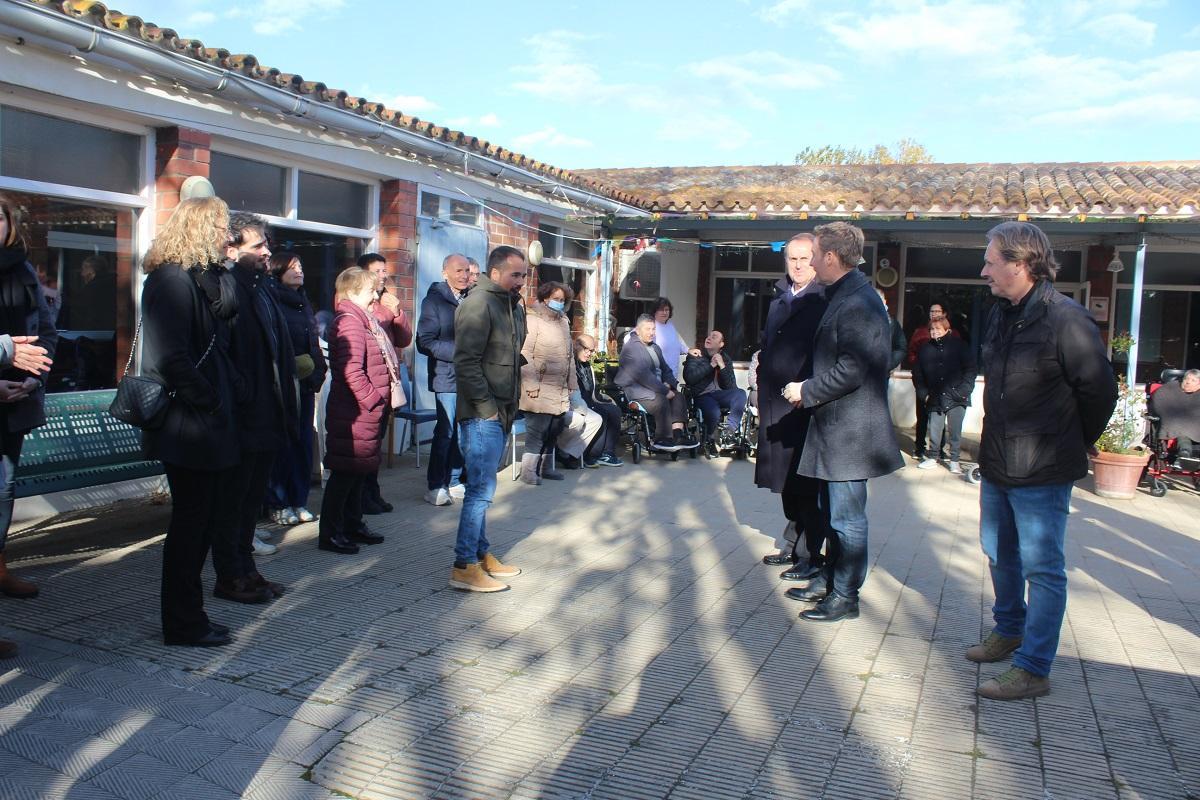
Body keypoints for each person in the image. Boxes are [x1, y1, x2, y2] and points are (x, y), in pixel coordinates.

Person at [970, 221, 1117, 700]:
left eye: (992, 262)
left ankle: (1034, 668)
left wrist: (1070, 441)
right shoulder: (1001, 313)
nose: (984, 271)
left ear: (1020, 264)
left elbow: (1100, 392)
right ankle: (1009, 630)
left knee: (1043, 568)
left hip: (1043, 470)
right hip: (998, 462)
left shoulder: (1067, 320)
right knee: (998, 552)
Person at [785, 222, 903, 623]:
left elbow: (854, 368)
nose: (811, 261)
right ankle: (830, 579)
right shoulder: (844, 294)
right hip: (834, 428)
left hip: (851, 433)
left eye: (816, 254)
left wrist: (807, 390)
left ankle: (846, 596)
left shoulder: (859, 302)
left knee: (847, 520)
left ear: (831, 257)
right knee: (830, 512)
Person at [139, 196, 238, 648]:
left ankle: (190, 616)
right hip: (188, 422)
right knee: (190, 525)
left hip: (204, 420)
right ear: (200, 228)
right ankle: (182, 623)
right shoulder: (171, 280)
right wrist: (212, 400)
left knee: (202, 522)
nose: (227, 235)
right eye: (220, 226)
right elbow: (171, 357)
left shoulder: (197, 278)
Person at [217, 213, 297, 601]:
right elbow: (223, 354)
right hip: (243, 415)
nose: (267, 252)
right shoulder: (227, 286)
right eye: (258, 245)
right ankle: (230, 576)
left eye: (267, 244)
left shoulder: (262, 287)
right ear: (232, 250)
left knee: (251, 501)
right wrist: (244, 392)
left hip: (268, 410)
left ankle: (247, 569)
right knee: (233, 503)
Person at [0, 194, 57, 659]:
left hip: (15, 404)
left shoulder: (22, 271)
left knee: (3, 494)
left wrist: (33, 378)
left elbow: (46, 332)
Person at [450, 246, 526, 592]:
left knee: (482, 488)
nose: (521, 281)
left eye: (523, 275)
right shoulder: (479, 303)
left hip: (501, 410)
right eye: (515, 274)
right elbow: (465, 362)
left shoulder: (510, 304)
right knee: (480, 491)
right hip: (483, 414)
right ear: (495, 273)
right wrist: (487, 407)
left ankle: (480, 555)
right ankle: (464, 565)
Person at [755, 234, 828, 579]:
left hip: (803, 404)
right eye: (792, 259)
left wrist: (808, 392)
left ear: (816, 260)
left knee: (805, 484)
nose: (798, 265)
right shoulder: (778, 297)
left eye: (804, 258)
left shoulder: (823, 299)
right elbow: (767, 344)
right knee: (784, 481)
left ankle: (810, 554)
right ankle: (792, 543)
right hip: (774, 404)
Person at [320, 267, 396, 555]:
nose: (375, 296)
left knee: (357, 473)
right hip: (354, 413)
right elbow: (351, 371)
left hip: (362, 411)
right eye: (370, 291)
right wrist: (374, 402)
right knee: (344, 475)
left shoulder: (363, 320)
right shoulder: (350, 323)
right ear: (352, 293)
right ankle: (331, 533)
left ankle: (352, 525)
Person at [265, 252, 327, 525]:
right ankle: (278, 503)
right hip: (283, 384)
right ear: (278, 271)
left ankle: (298, 500)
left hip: (306, 383)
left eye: (300, 266)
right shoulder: (273, 299)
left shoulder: (304, 302)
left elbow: (313, 341)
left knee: (303, 443)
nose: (299, 270)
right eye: (292, 267)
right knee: (284, 445)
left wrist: (318, 372)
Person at [357, 252, 413, 515]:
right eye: (377, 271)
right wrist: (388, 312)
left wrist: (398, 312)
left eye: (384, 270)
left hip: (386, 379)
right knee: (366, 444)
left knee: (377, 441)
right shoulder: (356, 300)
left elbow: (404, 339)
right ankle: (362, 496)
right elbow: (372, 327)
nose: (383, 275)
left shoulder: (387, 299)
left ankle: (372, 491)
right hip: (369, 382)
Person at [416, 253, 471, 506]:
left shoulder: (471, 300)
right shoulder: (434, 301)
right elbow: (425, 342)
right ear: (444, 273)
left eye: (467, 270)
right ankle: (435, 485)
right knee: (446, 432)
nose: (464, 276)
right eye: (458, 270)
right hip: (446, 377)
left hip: (470, 377)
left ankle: (455, 480)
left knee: (463, 432)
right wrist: (461, 353)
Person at [518, 282, 577, 485]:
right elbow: (525, 353)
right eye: (556, 299)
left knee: (554, 428)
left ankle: (546, 467)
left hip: (558, 387)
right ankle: (528, 471)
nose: (559, 303)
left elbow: (570, 356)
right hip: (539, 386)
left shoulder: (563, 322)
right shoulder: (533, 320)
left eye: (562, 300)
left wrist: (572, 381)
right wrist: (531, 384)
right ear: (545, 298)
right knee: (537, 431)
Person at [615, 315, 695, 450]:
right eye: (648, 329)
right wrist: (664, 390)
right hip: (637, 390)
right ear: (638, 330)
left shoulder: (655, 347)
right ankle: (662, 439)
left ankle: (677, 436)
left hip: (656, 388)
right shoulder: (631, 349)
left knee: (678, 397)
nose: (652, 332)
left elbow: (666, 369)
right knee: (661, 400)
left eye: (653, 329)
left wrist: (668, 384)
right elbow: (643, 376)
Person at [914, 316, 976, 474]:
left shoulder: (960, 346)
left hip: (957, 396)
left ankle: (954, 460)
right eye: (932, 329)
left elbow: (970, 369)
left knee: (955, 431)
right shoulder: (925, 349)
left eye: (938, 329)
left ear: (947, 330)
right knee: (935, 429)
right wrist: (924, 394)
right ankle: (933, 457)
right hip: (934, 396)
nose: (934, 332)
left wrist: (963, 391)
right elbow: (918, 374)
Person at [907, 301, 959, 460]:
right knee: (922, 417)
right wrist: (919, 369)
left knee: (939, 417)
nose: (934, 314)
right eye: (931, 311)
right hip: (923, 382)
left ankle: (939, 449)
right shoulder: (920, 332)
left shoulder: (953, 334)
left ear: (944, 313)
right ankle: (920, 447)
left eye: (937, 311)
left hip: (943, 384)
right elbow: (911, 353)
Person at [684, 330, 746, 459]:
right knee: (714, 411)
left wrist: (722, 366)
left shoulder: (725, 358)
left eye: (714, 337)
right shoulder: (696, 355)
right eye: (709, 336)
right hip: (702, 395)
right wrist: (711, 365)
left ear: (721, 344)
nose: (709, 338)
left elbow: (731, 386)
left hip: (720, 394)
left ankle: (730, 431)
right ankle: (709, 438)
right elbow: (689, 378)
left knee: (740, 393)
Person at [573, 335, 624, 467]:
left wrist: (605, 399)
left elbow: (593, 392)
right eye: (587, 350)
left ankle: (607, 453)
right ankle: (593, 454)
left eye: (592, 351)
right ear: (577, 346)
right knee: (602, 413)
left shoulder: (587, 366)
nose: (590, 354)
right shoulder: (571, 365)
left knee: (615, 410)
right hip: (576, 404)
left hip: (589, 402)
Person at [1148, 369, 1200, 467]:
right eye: (1186, 379)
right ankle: (1184, 454)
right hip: (1175, 423)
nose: (1188, 382)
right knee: (1183, 434)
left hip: (1196, 423)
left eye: (1193, 380)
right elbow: (1158, 406)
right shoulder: (1169, 389)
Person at [650, 296, 689, 374]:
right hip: (658, 375)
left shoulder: (670, 326)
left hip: (673, 373)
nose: (664, 312)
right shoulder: (650, 326)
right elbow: (629, 338)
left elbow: (677, 344)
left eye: (666, 310)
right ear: (655, 311)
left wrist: (688, 350)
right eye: (661, 310)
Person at [877, 288, 906, 372]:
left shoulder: (892, 324)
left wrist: (889, 364)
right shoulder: (860, 320)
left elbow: (901, 348)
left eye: (879, 300)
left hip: (882, 373)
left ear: (884, 302)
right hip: (860, 374)